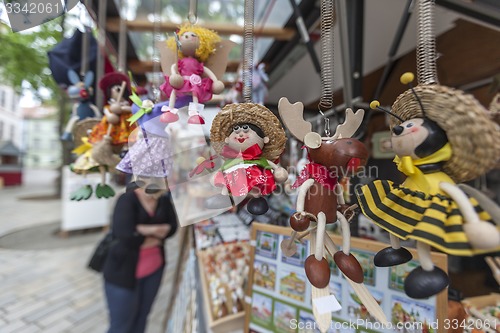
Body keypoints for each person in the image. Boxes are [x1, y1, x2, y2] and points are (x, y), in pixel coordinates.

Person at [102, 181, 178, 333]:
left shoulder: (163, 199)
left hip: (154, 271)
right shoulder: (127, 199)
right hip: (123, 275)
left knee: (142, 318)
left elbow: (172, 227)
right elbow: (125, 236)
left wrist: (142, 229)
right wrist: (157, 233)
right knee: (121, 326)